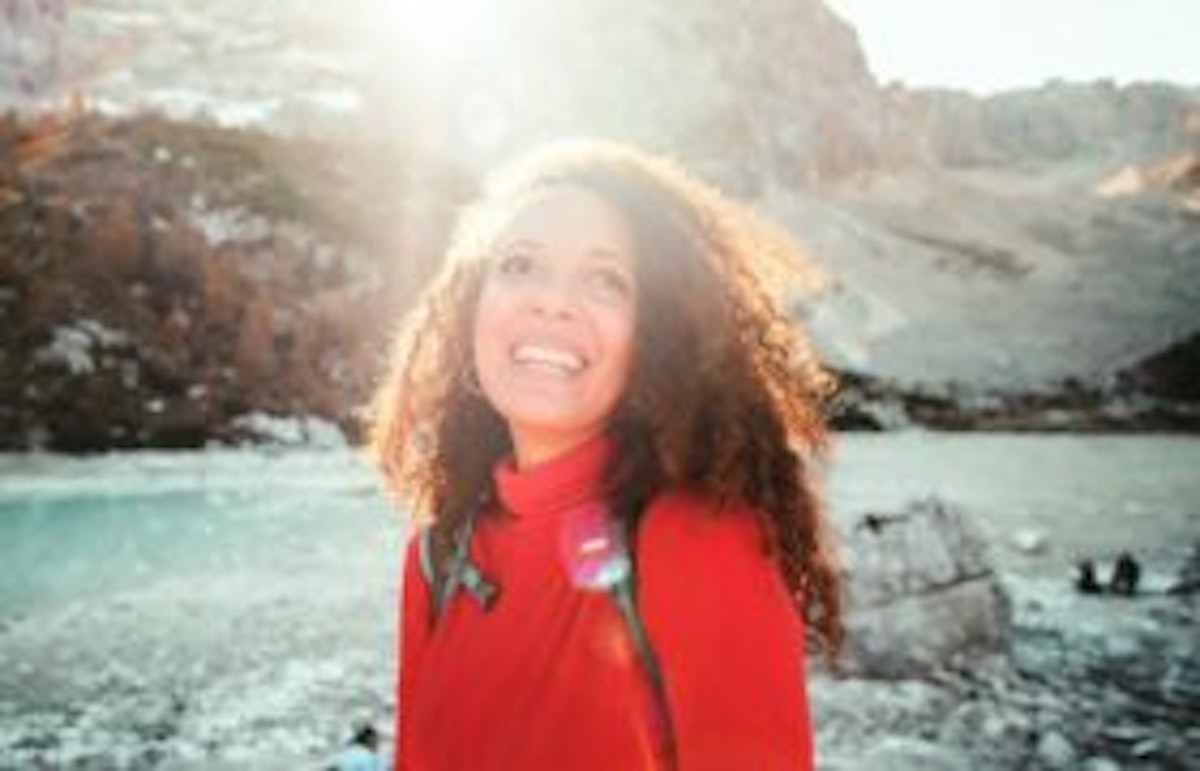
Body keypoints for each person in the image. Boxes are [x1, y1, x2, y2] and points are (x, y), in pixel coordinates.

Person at [368, 140, 842, 771]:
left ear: (657, 334)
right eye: (519, 265)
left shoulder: (697, 539)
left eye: (606, 280)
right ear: (468, 308)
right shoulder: (437, 555)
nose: (552, 301)